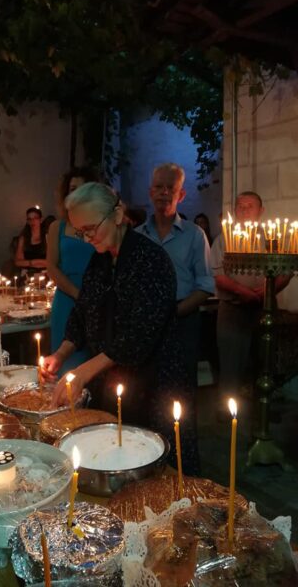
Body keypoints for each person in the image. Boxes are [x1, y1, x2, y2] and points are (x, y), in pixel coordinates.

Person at [43, 182, 200, 476]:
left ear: (117, 215)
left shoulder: (150, 260)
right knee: (116, 461)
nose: (87, 238)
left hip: (156, 382)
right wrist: (61, 354)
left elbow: (138, 335)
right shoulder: (100, 259)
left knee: (159, 467)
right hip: (117, 381)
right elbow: (83, 311)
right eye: (81, 232)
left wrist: (84, 372)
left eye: (91, 228)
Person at [136, 163, 214, 390]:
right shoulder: (137, 237)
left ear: (181, 195)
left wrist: (173, 313)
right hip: (146, 320)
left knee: (182, 385)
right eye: (159, 186)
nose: (164, 192)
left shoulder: (194, 235)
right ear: (150, 192)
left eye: (171, 188)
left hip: (183, 319)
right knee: (146, 384)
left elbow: (205, 285)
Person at [210, 192, 289, 416]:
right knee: (231, 362)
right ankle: (228, 408)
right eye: (240, 206)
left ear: (261, 211)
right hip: (232, 309)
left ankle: (263, 408)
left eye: (250, 206)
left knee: (264, 360)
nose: (244, 210)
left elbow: (286, 270)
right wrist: (241, 291)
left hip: (265, 309)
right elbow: (217, 273)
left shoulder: (272, 237)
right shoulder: (223, 239)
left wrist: (267, 290)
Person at [46, 168, 97, 375]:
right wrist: (77, 294)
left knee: (91, 362)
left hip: (96, 298)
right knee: (65, 365)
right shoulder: (57, 227)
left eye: (83, 189)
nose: (77, 194)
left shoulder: (100, 227)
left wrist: (89, 298)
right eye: (73, 188)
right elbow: (52, 267)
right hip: (66, 301)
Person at [14, 207, 47, 277]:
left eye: (35, 218)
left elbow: (55, 261)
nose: (32, 221)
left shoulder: (48, 237)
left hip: (46, 272)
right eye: (29, 219)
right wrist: (32, 263)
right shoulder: (23, 239)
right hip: (28, 273)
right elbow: (18, 262)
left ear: (41, 220)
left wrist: (41, 262)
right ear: (27, 221)